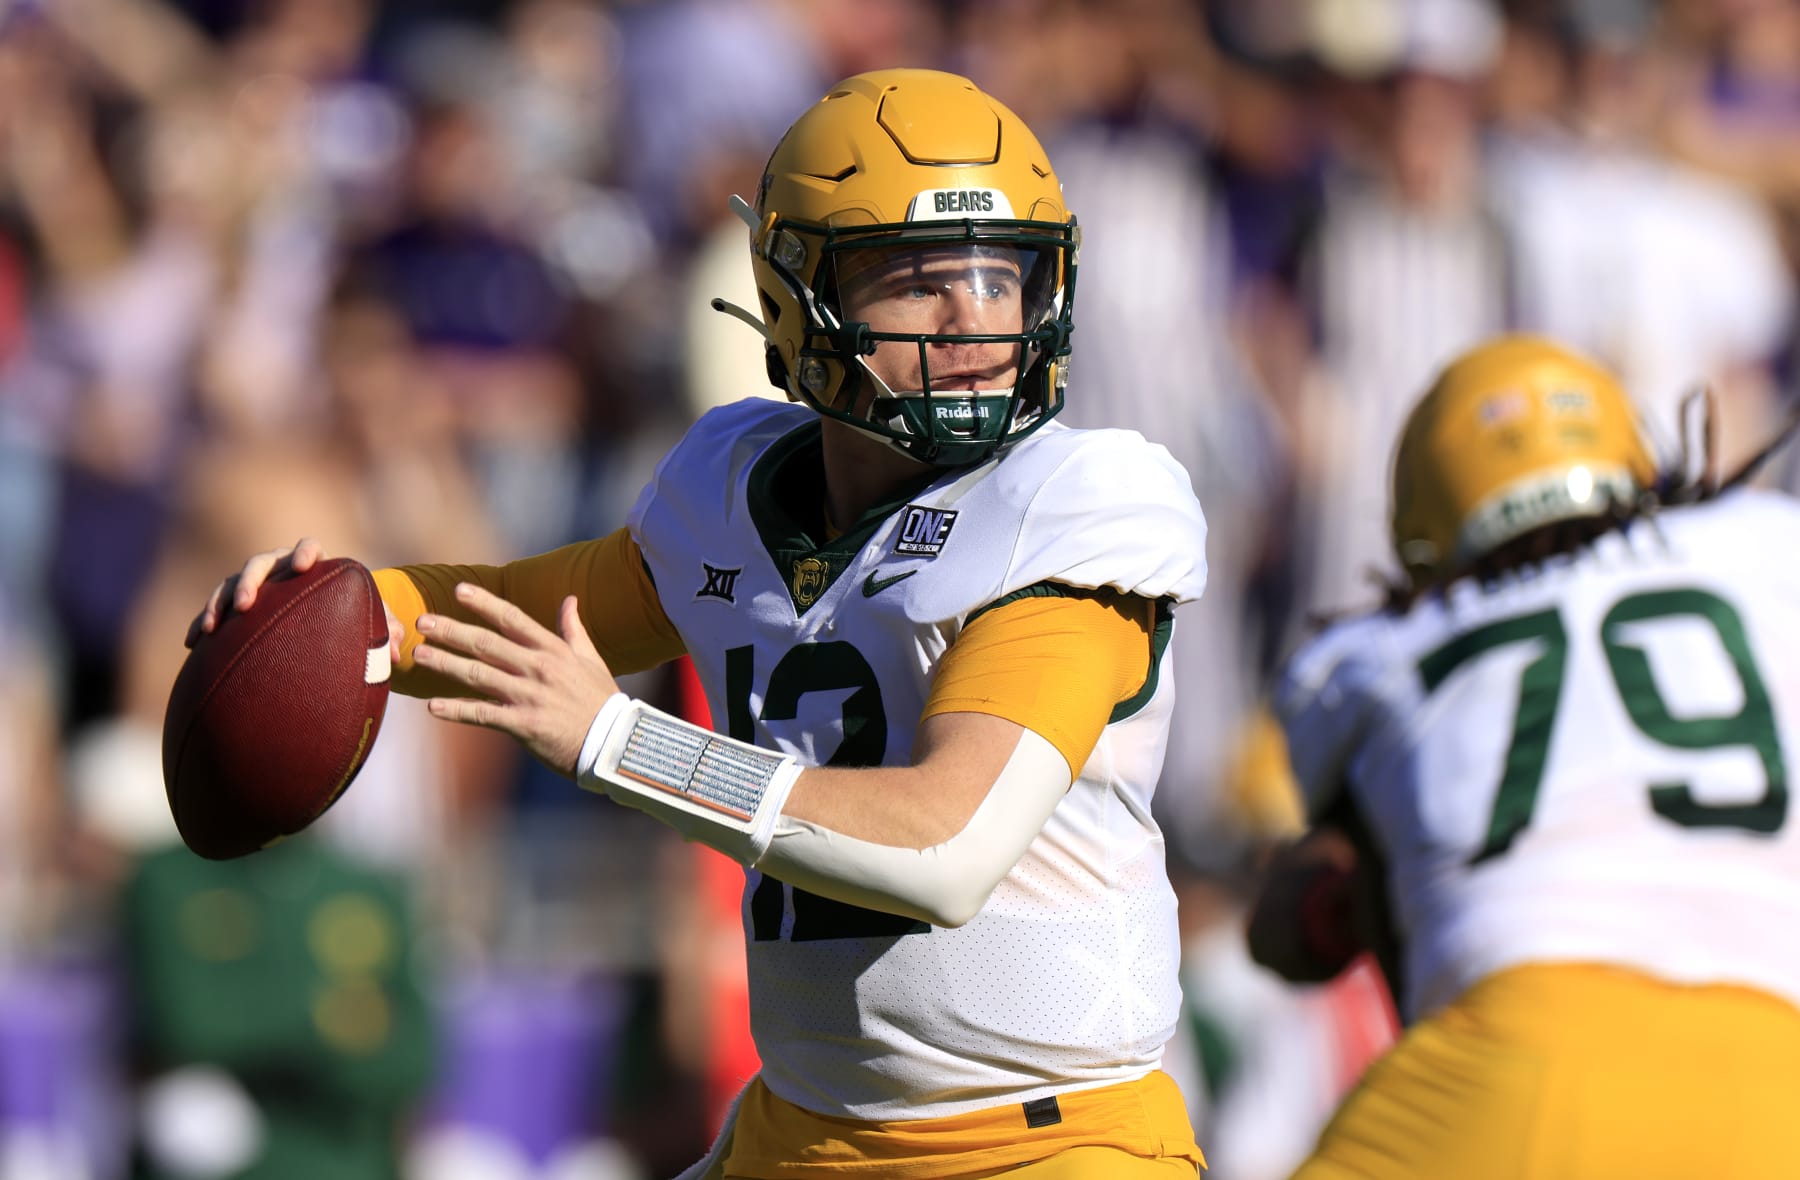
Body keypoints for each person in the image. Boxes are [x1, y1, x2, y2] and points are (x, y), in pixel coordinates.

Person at [188, 69, 1210, 1179]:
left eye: (998, 275)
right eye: (918, 280)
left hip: (1044, 1146)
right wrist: (348, 610)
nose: (972, 320)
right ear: (797, 300)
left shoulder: (1070, 509)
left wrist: (620, 743)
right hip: (803, 1130)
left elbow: (945, 846)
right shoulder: (733, 490)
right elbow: (523, 616)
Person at [1249, 334, 1800, 1179]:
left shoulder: (1374, 659)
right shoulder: (1766, 547)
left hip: (1510, 1074)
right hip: (1775, 1071)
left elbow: (1286, 936)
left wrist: (1337, 899)